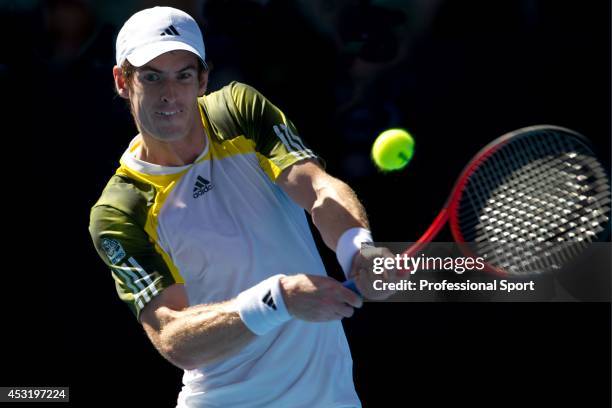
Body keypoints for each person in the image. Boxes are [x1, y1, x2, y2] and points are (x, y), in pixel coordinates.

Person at [89, 6, 398, 407]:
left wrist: (358, 249)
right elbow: (172, 335)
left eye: (183, 75)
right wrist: (277, 299)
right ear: (122, 81)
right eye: (151, 76)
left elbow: (317, 189)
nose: (169, 93)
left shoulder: (236, 112)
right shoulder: (120, 209)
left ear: (202, 79)